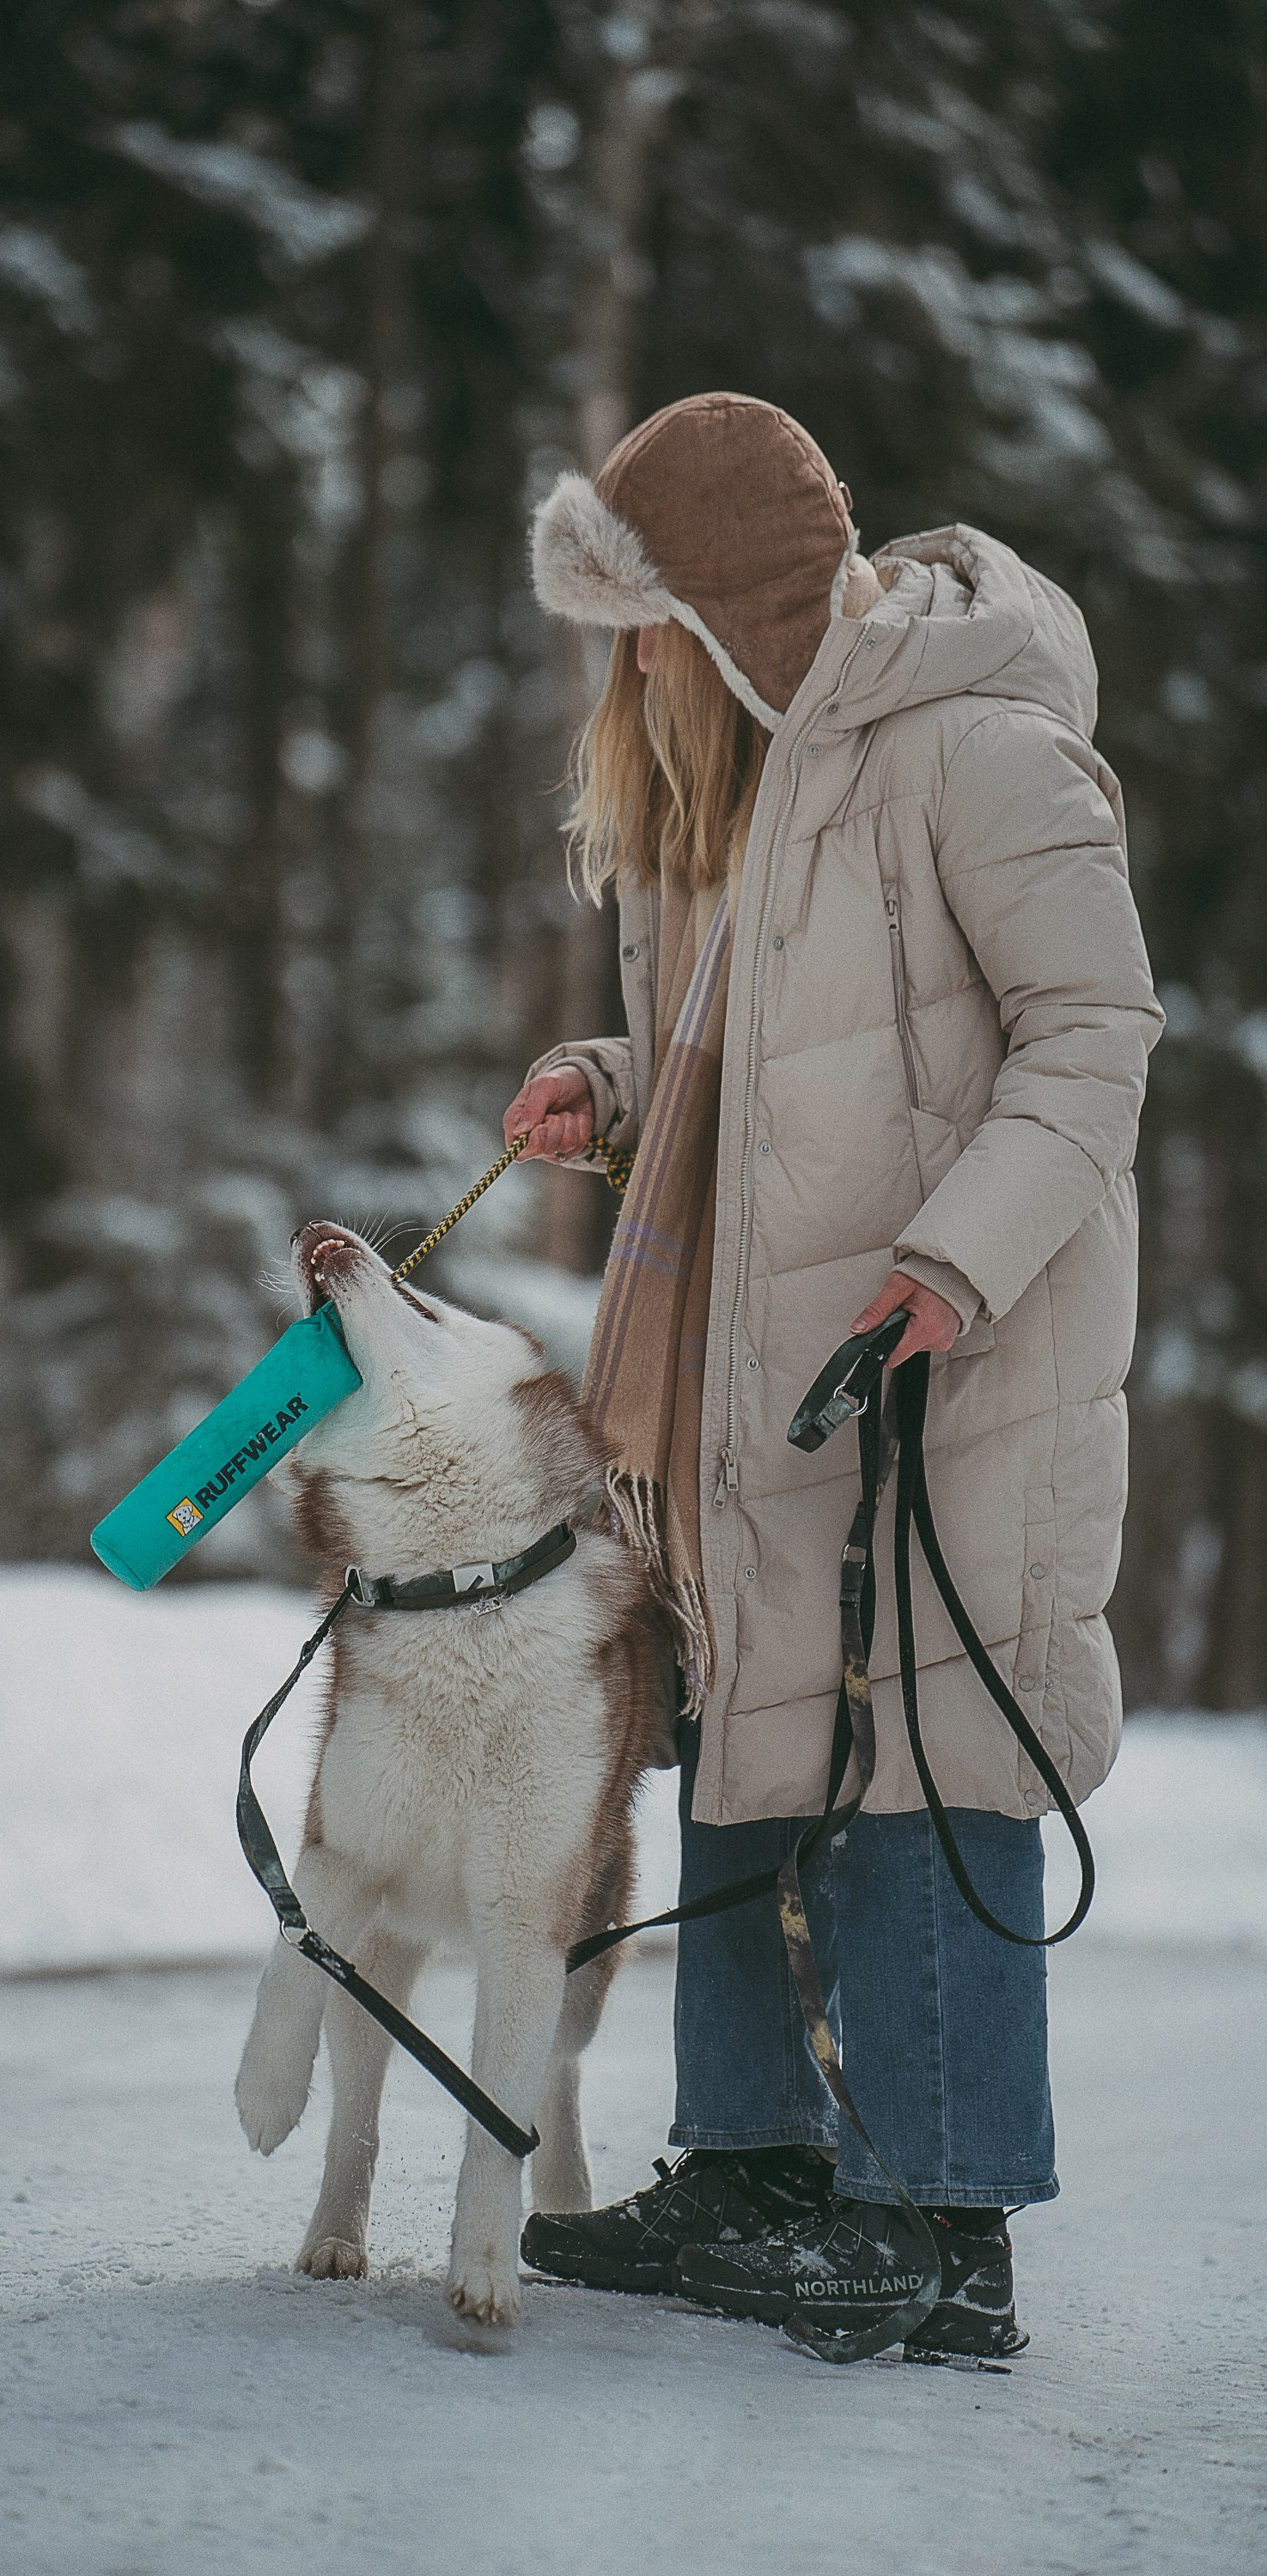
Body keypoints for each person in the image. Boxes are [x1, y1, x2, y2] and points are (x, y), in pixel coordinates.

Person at [503, 392, 1161, 2360]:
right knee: (754, 1735)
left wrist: (950, 1267)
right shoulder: (726, 811)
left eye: (643, 620)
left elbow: (1094, 1036)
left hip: (956, 1350)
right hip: (761, 1368)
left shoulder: (970, 743)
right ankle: (756, 2165)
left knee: (936, 1750)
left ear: (724, 609)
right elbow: (755, 1087)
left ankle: (946, 2220)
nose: (626, 666)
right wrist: (609, 1097)